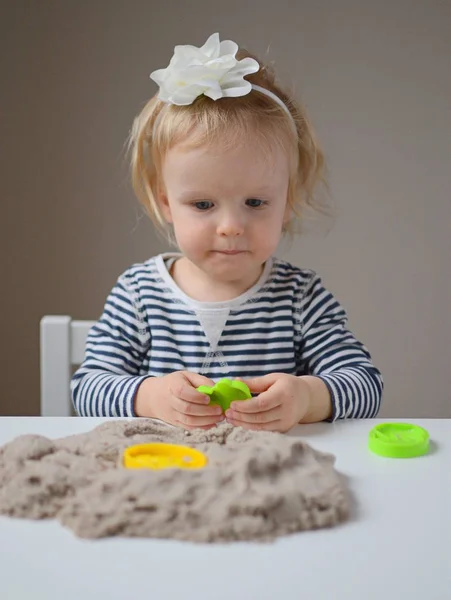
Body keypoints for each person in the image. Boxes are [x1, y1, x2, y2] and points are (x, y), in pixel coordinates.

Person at [71, 32, 383, 432]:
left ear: (287, 200)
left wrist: (306, 398)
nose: (231, 227)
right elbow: (87, 389)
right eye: (203, 205)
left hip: (269, 480)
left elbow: (365, 385)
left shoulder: (300, 299)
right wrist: (150, 396)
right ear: (166, 202)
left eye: (256, 203)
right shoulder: (139, 295)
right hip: (164, 476)